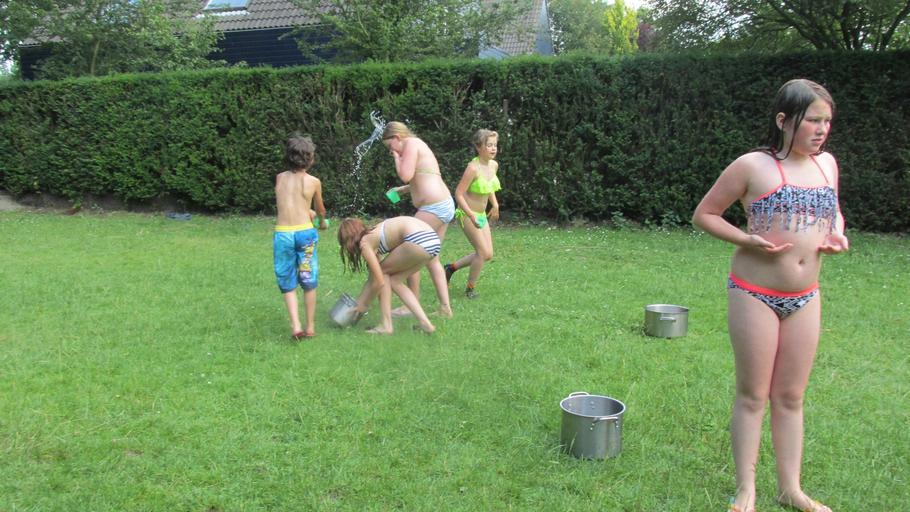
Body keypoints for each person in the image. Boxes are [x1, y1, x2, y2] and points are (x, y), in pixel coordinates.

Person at [693, 79, 848, 512]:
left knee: (791, 396)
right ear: (783, 120)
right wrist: (747, 239)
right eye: (812, 120)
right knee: (753, 395)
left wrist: (837, 234)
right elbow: (705, 214)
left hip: (806, 297)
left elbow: (833, 211)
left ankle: (790, 489)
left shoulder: (827, 165)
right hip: (754, 294)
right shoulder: (752, 166)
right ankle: (746, 489)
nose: (822, 129)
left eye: (827, 121)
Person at [381, 121, 454, 318]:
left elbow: (406, 175)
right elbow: (422, 176)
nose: (391, 151)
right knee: (431, 257)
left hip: (434, 207)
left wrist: (397, 158)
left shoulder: (411, 144)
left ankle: (409, 305)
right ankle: (445, 308)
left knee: (412, 250)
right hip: (443, 204)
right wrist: (402, 191)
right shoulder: (418, 145)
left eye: (390, 147)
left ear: (397, 137)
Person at [337, 216, 440, 334]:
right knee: (395, 281)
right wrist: (361, 300)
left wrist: (363, 304)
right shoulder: (373, 235)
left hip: (418, 239)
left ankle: (386, 325)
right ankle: (426, 324)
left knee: (384, 273)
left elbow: (379, 281)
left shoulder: (364, 243)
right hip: (433, 240)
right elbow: (373, 277)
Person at [273, 133, 328, 340]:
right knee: (308, 278)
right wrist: (321, 222)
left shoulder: (280, 178)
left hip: (283, 234)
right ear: (310, 158)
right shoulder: (313, 182)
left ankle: (296, 326)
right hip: (305, 234)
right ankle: (310, 326)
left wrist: (308, 211)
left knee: (287, 279)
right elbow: (320, 210)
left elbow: (290, 202)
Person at [444, 129, 501, 298]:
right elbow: (458, 193)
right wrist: (470, 215)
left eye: (495, 145)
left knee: (487, 254)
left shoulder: (493, 165)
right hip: (467, 214)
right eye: (489, 145)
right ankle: (470, 289)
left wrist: (495, 204)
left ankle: (450, 268)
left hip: (481, 215)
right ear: (478, 147)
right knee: (482, 252)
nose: (493, 148)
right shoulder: (472, 168)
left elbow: (489, 187)